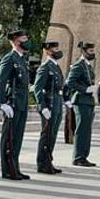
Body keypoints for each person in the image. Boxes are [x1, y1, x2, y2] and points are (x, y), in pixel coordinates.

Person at [0, 30, 31, 177]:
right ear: (16, 41)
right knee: (9, 137)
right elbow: (0, 81)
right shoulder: (9, 58)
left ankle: (14, 167)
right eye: (24, 39)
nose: (27, 41)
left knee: (17, 137)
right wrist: (3, 102)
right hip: (13, 102)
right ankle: (7, 170)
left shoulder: (22, 59)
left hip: (22, 103)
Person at [32, 41, 65, 174]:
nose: (57, 51)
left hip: (57, 103)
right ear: (47, 51)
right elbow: (38, 88)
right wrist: (43, 107)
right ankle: (42, 163)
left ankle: (48, 161)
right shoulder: (45, 67)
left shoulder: (56, 66)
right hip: (49, 104)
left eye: (57, 48)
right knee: (47, 135)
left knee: (53, 135)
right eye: (54, 49)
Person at [65, 41, 98, 166]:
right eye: (90, 51)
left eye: (93, 51)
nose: (92, 53)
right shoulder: (79, 65)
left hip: (88, 101)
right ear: (83, 51)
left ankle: (83, 156)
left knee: (86, 130)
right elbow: (70, 82)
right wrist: (85, 89)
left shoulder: (87, 65)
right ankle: (78, 157)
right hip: (81, 101)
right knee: (82, 130)